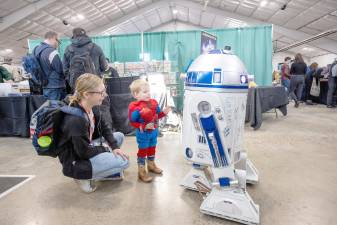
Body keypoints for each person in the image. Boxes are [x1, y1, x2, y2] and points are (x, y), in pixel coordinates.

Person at [57, 73, 129, 193]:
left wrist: (114, 147)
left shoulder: (90, 106)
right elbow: (83, 153)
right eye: (101, 93)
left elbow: (105, 128)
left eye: (104, 91)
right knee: (124, 161)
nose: (105, 95)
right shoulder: (75, 120)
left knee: (119, 137)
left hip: (86, 146)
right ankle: (81, 177)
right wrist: (105, 149)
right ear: (86, 94)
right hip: (76, 161)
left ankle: (102, 168)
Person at [128, 79, 171, 183]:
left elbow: (158, 116)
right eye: (145, 92)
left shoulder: (153, 103)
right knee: (143, 151)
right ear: (135, 94)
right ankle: (141, 171)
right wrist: (144, 125)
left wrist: (164, 113)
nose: (148, 94)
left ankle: (151, 165)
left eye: (149, 91)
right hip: (143, 134)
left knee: (152, 148)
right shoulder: (134, 107)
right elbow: (132, 122)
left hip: (154, 132)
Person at [63, 27, 109, 92]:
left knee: (77, 101)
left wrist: (70, 79)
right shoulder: (96, 47)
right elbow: (104, 67)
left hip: (76, 85)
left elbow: (65, 69)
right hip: (94, 84)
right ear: (85, 35)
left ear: (73, 35)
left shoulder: (68, 49)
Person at [33, 31, 66, 100]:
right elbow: (60, 69)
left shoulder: (36, 50)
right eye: (58, 41)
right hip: (55, 85)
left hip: (44, 85)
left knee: (49, 107)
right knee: (57, 108)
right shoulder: (52, 51)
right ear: (54, 38)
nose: (58, 44)